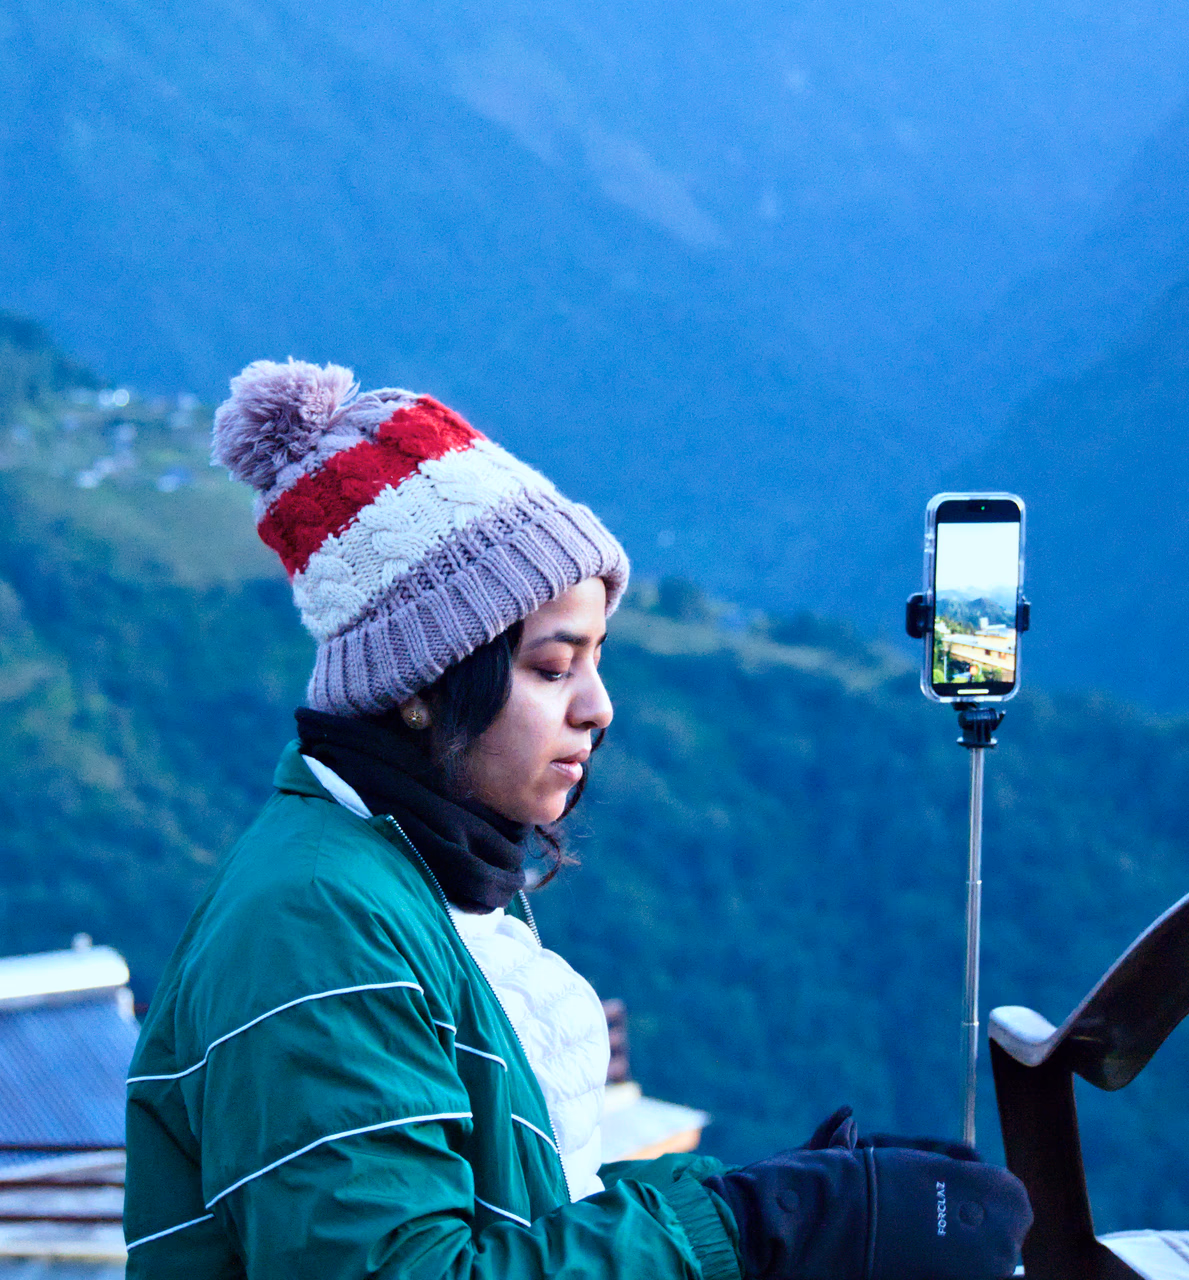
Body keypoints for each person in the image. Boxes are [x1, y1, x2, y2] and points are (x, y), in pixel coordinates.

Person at [123, 359, 1032, 1279]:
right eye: (553, 667)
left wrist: (799, 1197)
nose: (598, 707)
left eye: (596, 659)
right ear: (419, 685)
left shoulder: (417, 877)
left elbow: (523, 1210)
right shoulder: (317, 920)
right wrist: (758, 1226)